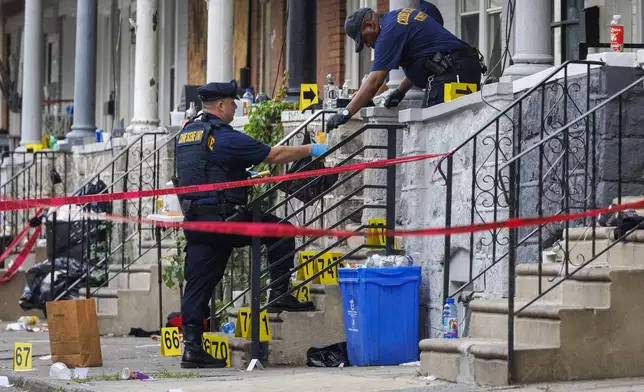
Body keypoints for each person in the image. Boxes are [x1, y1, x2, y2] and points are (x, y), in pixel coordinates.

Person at [176, 80, 327, 369]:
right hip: (227, 220)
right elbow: (274, 155)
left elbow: (205, 171)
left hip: (197, 222)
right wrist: (312, 149)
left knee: (198, 283)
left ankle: (192, 349)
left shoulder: (187, 135)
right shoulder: (224, 136)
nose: (235, 106)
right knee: (282, 232)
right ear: (220, 106)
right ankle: (280, 294)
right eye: (232, 102)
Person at [327, 7, 486, 131]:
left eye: (364, 39)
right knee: (448, 130)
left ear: (370, 25)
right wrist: (400, 91)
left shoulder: (387, 34)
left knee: (435, 131)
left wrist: (346, 113)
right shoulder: (395, 20)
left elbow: (375, 81)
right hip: (458, 67)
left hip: (453, 72)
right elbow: (426, 59)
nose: (368, 45)